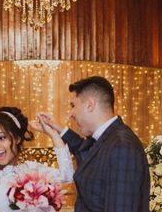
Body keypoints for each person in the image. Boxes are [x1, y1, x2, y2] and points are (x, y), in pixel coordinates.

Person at [38, 76, 150, 212]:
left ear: (90, 105)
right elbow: (84, 150)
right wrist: (56, 129)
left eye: (73, 105)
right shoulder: (108, 139)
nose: (70, 114)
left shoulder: (122, 146)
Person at [0, 106, 74, 211]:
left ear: (17, 138)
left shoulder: (30, 169)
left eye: (2, 138)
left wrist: (52, 133)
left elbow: (67, 176)